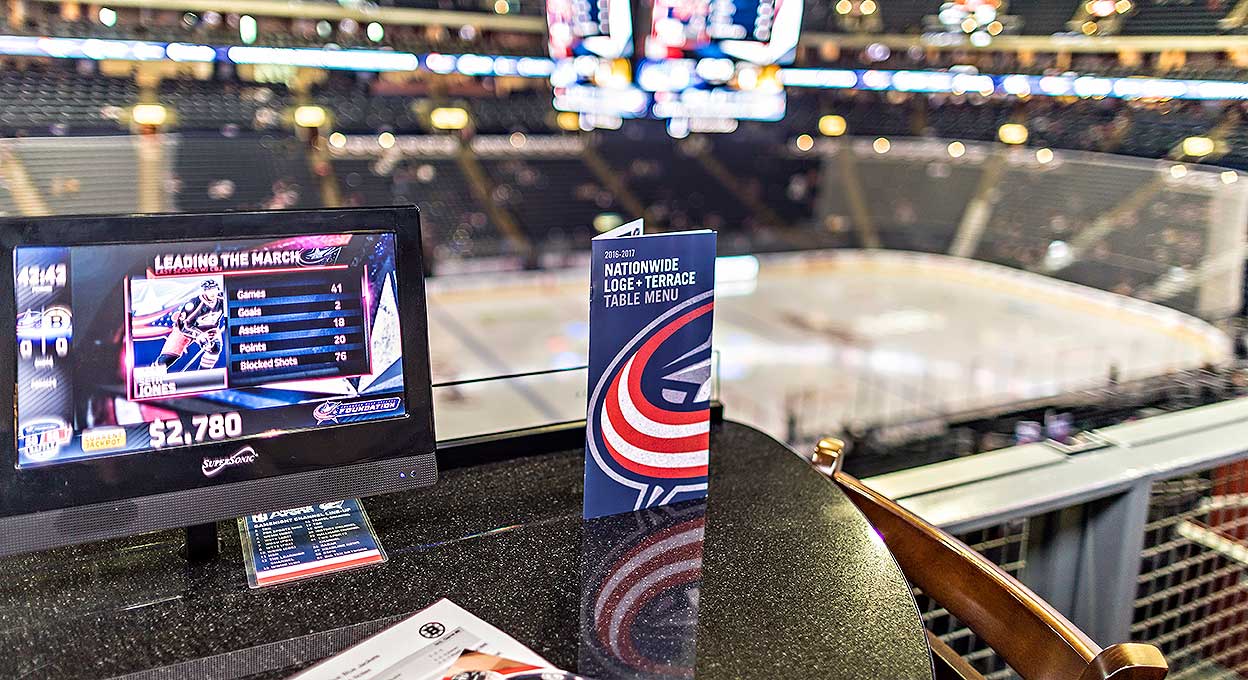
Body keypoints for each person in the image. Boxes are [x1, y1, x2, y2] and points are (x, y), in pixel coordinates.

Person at [153, 279, 224, 371]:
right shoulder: (194, 304)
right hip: (185, 330)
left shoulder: (222, 299)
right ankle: (153, 374)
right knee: (167, 358)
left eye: (214, 289)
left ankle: (203, 374)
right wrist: (199, 336)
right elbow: (184, 325)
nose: (212, 292)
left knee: (215, 349)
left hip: (209, 329)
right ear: (204, 291)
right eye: (209, 290)